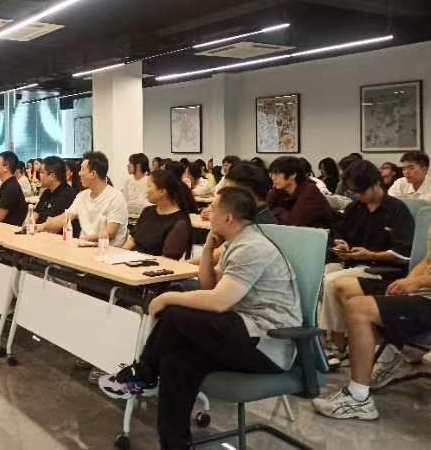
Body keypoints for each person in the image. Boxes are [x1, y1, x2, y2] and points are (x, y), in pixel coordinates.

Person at [99, 187, 301, 450]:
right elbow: (209, 287)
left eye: (213, 208)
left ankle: (144, 372)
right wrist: (207, 250)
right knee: (177, 360)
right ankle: (174, 444)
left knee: (175, 314)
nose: (207, 212)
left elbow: (218, 301)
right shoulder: (236, 242)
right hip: (242, 330)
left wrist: (168, 298)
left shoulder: (251, 247)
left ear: (228, 218)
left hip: (268, 342)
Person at [312, 152, 431, 421]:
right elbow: (428, 260)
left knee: (357, 307)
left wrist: (417, 281)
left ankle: (360, 395)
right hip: (426, 293)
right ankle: (383, 357)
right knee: (346, 293)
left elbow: (407, 256)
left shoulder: (398, 210)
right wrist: (410, 281)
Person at [319, 160, 415, 368]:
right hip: (356, 263)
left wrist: (371, 254)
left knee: (332, 281)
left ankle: (337, 344)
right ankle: (337, 342)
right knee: (321, 275)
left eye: (360, 191)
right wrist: (341, 244)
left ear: (375, 183)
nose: (357, 195)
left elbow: (404, 253)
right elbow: (339, 232)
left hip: (385, 270)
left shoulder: (397, 210)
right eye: (354, 191)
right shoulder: (355, 208)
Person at [39, 151, 129, 246]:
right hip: (84, 246)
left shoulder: (115, 197)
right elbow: (65, 217)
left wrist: (83, 239)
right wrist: (41, 226)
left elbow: (110, 232)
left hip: (108, 250)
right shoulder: (82, 196)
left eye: (82, 169)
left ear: (93, 174)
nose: (79, 173)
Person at [123, 169, 193, 259]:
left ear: (162, 191)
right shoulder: (147, 211)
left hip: (153, 265)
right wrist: (120, 255)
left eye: (149, 186)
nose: (146, 190)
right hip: (131, 260)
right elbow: (132, 240)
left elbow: (167, 260)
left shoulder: (180, 222)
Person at [267, 156, 334, 229]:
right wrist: (273, 192)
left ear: (293, 174)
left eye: (277, 173)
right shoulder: (280, 190)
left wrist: (277, 210)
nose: (273, 178)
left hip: (324, 233)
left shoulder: (310, 190)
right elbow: (265, 214)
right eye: (272, 174)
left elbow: (295, 224)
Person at [34, 156, 76, 224]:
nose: (39, 175)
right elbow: (36, 213)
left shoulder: (67, 195)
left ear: (52, 176)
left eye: (42, 172)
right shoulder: (47, 192)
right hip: (39, 228)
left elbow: (51, 225)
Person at [0, 151, 29, 226]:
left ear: (6, 168)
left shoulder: (10, 187)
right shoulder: (8, 183)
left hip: (8, 230)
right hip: (3, 227)